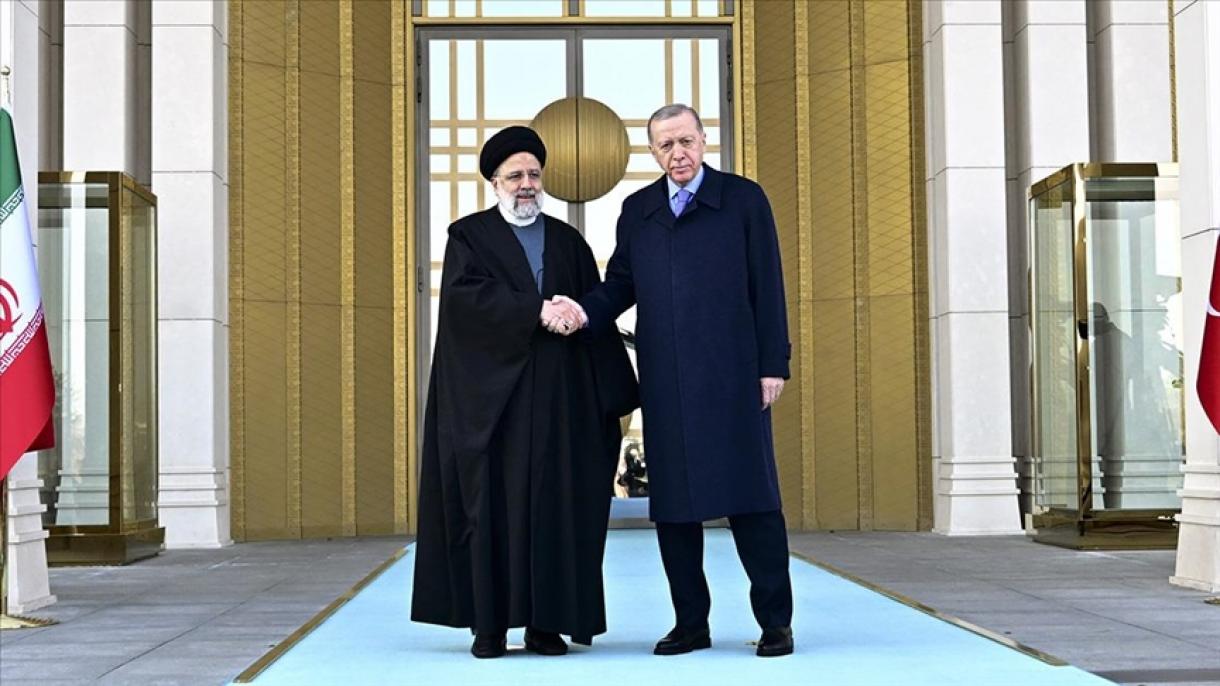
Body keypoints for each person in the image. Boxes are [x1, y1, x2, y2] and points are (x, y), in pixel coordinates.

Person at [552, 104, 795, 657]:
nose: (677, 153)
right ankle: (691, 623)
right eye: (666, 145)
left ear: (704, 141)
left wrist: (772, 364)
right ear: (653, 152)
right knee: (675, 508)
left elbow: (768, 283)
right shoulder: (638, 211)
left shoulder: (743, 200)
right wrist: (582, 311)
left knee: (753, 501)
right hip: (666, 381)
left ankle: (775, 622)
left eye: (685, 141)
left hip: (734, 377)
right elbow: (621, 284)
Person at [410, 126, 638, 659]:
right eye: (515, 175)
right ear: (495, 182)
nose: (527, 184)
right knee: (492, 510)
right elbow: (465, 303)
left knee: (556, 509)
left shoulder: (568, 241)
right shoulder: (469, 236)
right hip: (496, 407)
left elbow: (589, 304)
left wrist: (576, 314)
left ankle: (546, 624)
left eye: (534, 174)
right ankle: (489, 627)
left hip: (561, 403)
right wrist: (535, 310)